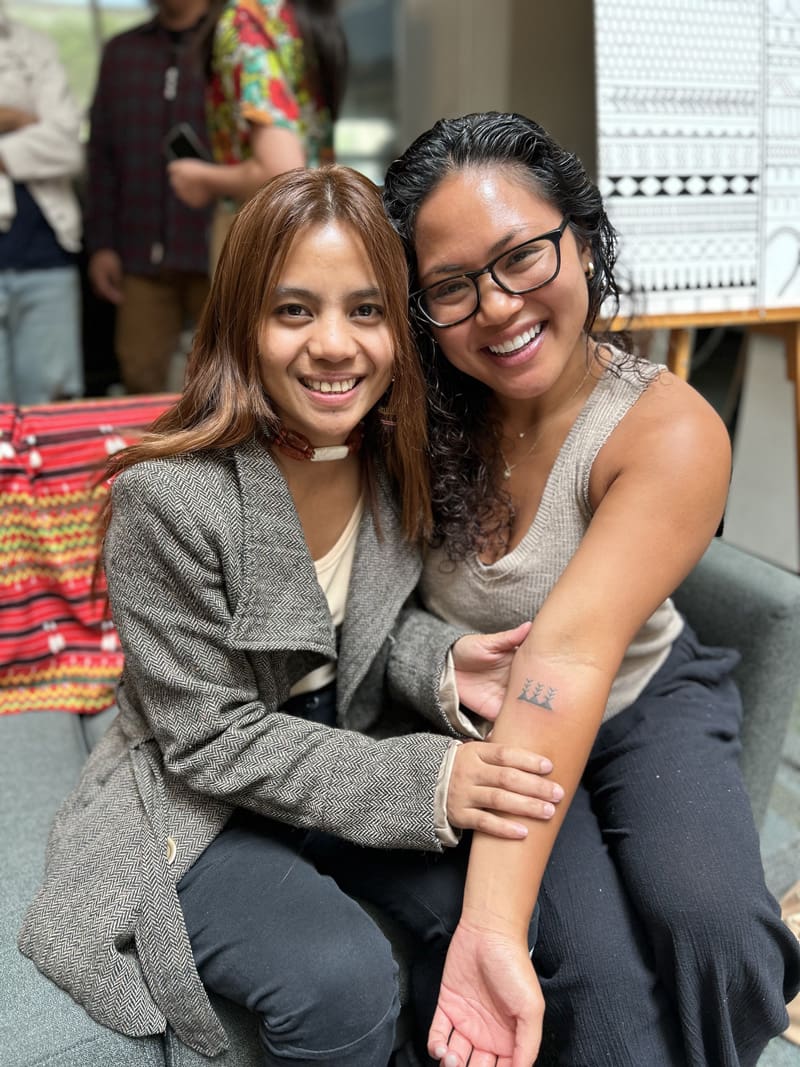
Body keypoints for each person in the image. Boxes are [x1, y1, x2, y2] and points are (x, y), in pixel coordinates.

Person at [18, 165, 565, 1066]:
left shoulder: (388, 460)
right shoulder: (170, 500)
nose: (335, 345)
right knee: (339, 977)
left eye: (365, 309)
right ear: (242, 325)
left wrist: (439, 661)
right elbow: (211, 738)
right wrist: (426, 782)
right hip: (203, 795)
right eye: (294, 311)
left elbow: (356, 631)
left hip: (338, 748)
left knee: (508, 913)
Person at [382, 111, 800, 1067]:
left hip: (639, 690)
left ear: (581, 236)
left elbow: (569, 653)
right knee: (603, 996)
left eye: (522, 255)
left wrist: (488, 922)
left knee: (721, 932)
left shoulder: (668, 430)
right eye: (450, 286)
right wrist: (495, 927)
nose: (496, 305)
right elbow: (360, 601)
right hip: (475, 720)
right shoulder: (405, 409)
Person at [85, 0, 213, 396]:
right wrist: (101, 244)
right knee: (141, 378)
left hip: (219, 247)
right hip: (139, 251)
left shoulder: (234, 43)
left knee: (231, 378)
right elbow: (101, 156)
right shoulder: (122, 53)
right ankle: (151, 460)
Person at [168, 0, 347, 270]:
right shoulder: (294, 18)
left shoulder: (244, 23)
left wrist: (204, 178)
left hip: (260, 236)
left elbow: (282, 171)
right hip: (320, 225)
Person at [0, 13, 83, 405]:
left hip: (47, 260)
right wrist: (19, 120)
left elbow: (68, 148)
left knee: (52, 408)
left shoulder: (36, 46)